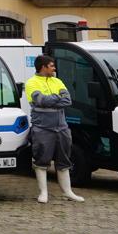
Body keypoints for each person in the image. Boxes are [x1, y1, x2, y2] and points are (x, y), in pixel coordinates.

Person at [26, 55, 84, 203]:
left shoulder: (57, 81)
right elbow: (39, 100)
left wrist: (50, 100)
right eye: (51, 66)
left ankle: (68, 192)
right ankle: (43, 193)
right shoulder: (31, 83)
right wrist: (57, 99)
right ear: (43, 67)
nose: (54, 68)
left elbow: (67, 100)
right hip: (42, 127)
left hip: (62, 127)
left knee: (64, 160)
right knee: (41, 160)